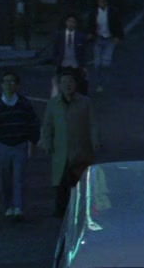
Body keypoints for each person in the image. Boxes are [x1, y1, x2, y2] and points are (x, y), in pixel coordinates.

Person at [0, 71, 40, 220]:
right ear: (1, 85)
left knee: (19, 177)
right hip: (3, 144)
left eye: (12, 82)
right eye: (6, 81)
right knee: (5, 177)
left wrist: (35, 140)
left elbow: (33, 122)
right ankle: (8, 206)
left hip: (20, 144)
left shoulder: (24, 103)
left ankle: (18, 207)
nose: (9, 85)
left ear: (17, 85)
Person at [39, 68, 99, 217]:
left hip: (81, 150)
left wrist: (95, 141)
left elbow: (92, 124)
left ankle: (83, 212)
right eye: (64, 82)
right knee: (61, 184)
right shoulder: (54, 104)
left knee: (81, 183)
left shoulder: (85, 103)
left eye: (71, 82)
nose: (68, 85)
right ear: (60, 85)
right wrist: (47, 142)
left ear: (76, 84)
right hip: (61, 151)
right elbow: (47, 125)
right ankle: (62, 213)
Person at [86, 0, 124, 93]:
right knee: (97, 63)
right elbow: (90, 25)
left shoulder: (113, 12)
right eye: (100, 1)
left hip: (109, 39)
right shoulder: (94, 13)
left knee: (106, 63)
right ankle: (99, 83)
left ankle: (107, 80)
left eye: (104, 1)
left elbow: (118, 24)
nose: (102, 3)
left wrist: (118, 36)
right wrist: (90, 34)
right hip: (98, 39)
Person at [52, 14, 89, 95]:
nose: (71, 24)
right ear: (66, 22)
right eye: (69, 21)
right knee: (63, 84)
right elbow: (55, 49)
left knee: (77, 85)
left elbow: (84, 52)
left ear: (76, 24)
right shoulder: (59, 35)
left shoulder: (80, 36)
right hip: (63, 64)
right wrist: (56, 61)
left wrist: (84, 66)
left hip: (76, 64)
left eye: (73, 22)